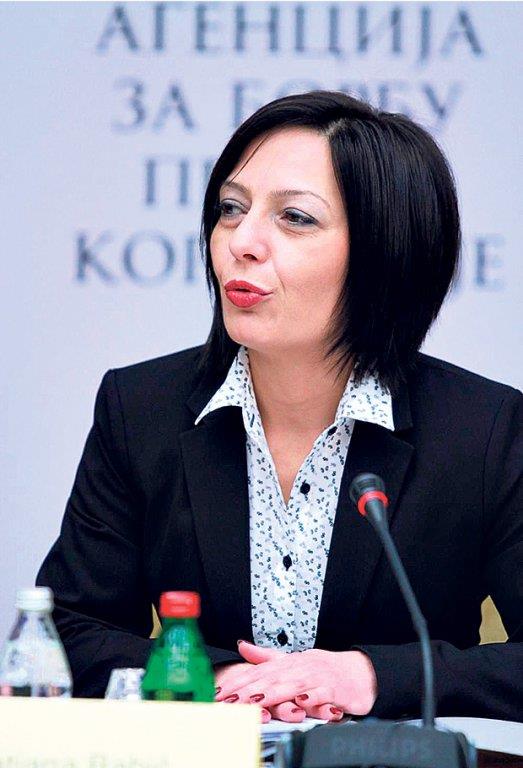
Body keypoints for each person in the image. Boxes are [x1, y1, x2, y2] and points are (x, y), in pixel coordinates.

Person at [36, 91, 522, 723]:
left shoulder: (483, 432)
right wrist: (225, 679)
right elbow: (67, 631)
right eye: (230, 209)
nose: (242, 241)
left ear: (385, 252)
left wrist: (373, 676)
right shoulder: (140, 409)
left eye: (294, 218)